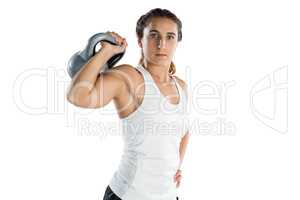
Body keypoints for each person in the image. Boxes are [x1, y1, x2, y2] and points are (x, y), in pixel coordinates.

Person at [67, 8, 190, 200]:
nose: (161, 44)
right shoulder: (129, 77)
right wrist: (106, 52)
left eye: (170, 37)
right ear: (140, 40)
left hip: (168, 195)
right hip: (130, 194)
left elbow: (183, 131)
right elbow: (77, 95)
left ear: (177, 42)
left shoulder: (181, 86)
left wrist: (175, 166)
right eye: (153, 35)